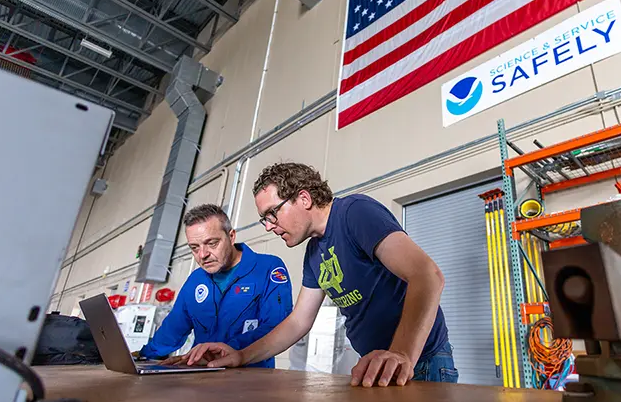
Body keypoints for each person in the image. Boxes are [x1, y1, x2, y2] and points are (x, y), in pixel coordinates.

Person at [185, 163, 456, 386]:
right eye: (264, 219)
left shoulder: (355, 213)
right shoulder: (314, 253)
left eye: (272, 214)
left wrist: (401, 353)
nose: (269, 226)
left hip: (421, 362)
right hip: (376, 365)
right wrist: (241, 356)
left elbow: (428, 276)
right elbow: (298, 322)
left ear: (303, 198)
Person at [137, 204, 293, 368]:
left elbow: (277, 326)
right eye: (195, 248)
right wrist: (142, 357)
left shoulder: (267, 268)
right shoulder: (195, 281)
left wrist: (231, 349)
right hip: (202, 377)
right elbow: (172, 330)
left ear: (231, 237)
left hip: (250, 379)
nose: (202, 255)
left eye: (211, 243)